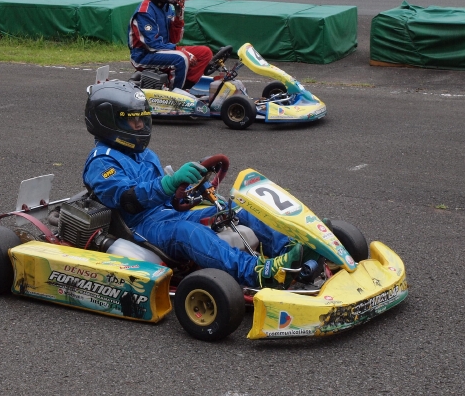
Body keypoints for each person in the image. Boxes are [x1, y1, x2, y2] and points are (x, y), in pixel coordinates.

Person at [82, 80, 303, 289]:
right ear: (109, 122)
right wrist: (170, 183)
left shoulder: (141, 153)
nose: (140, 124)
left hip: (167, 213)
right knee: (189, 232)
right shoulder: (102, 161)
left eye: (142, 117)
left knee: (236, 208)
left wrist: (190, 191)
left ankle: (289, 250)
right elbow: (127, 199)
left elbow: (166, 195)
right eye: (132, 119)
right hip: (140, 227)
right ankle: (258, 273)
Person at [128, 0, 213, 90]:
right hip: (143, 55)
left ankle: (184, 87)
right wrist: (182, 51)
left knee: (205, 53)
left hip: (161, 50)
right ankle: (175, 94)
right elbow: (152, 45)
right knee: (181, 58)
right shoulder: (144, 11)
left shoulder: (166, 7)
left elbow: (174, 40)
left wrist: (179, 16)